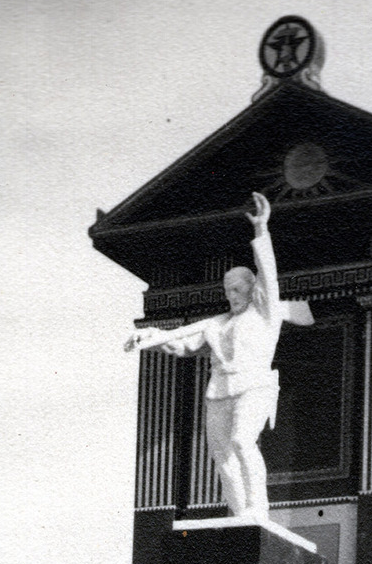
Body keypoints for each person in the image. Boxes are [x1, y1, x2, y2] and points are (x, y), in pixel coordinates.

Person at [124, 192, 312, 521]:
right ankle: (241, 514)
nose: (232, 296)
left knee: (242, 442)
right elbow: (181, 344)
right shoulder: (218, 324)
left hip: (253, 385)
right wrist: (151, 338)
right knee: (222, 456)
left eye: (237, 290)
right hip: (219, 391)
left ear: (251, 289)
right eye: (227, 292)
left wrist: (260, 231)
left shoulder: (265, 313)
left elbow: (268, 274)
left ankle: (258, 510)